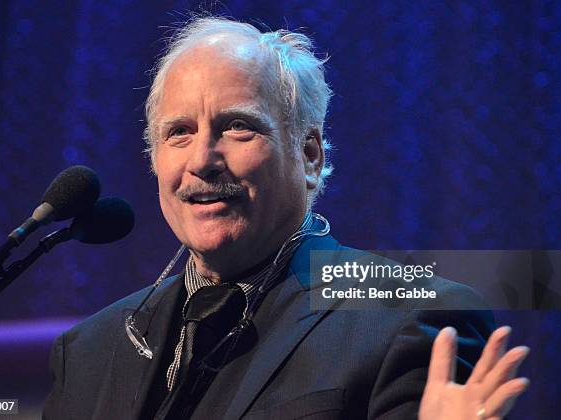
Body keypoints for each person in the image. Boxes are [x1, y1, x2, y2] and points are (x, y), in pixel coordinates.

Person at [43, 17, 529, 420]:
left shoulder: (410, 318)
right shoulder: (88, 352)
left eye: (237, 126)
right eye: (179, 132)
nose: (202, 159)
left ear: (310, 156)